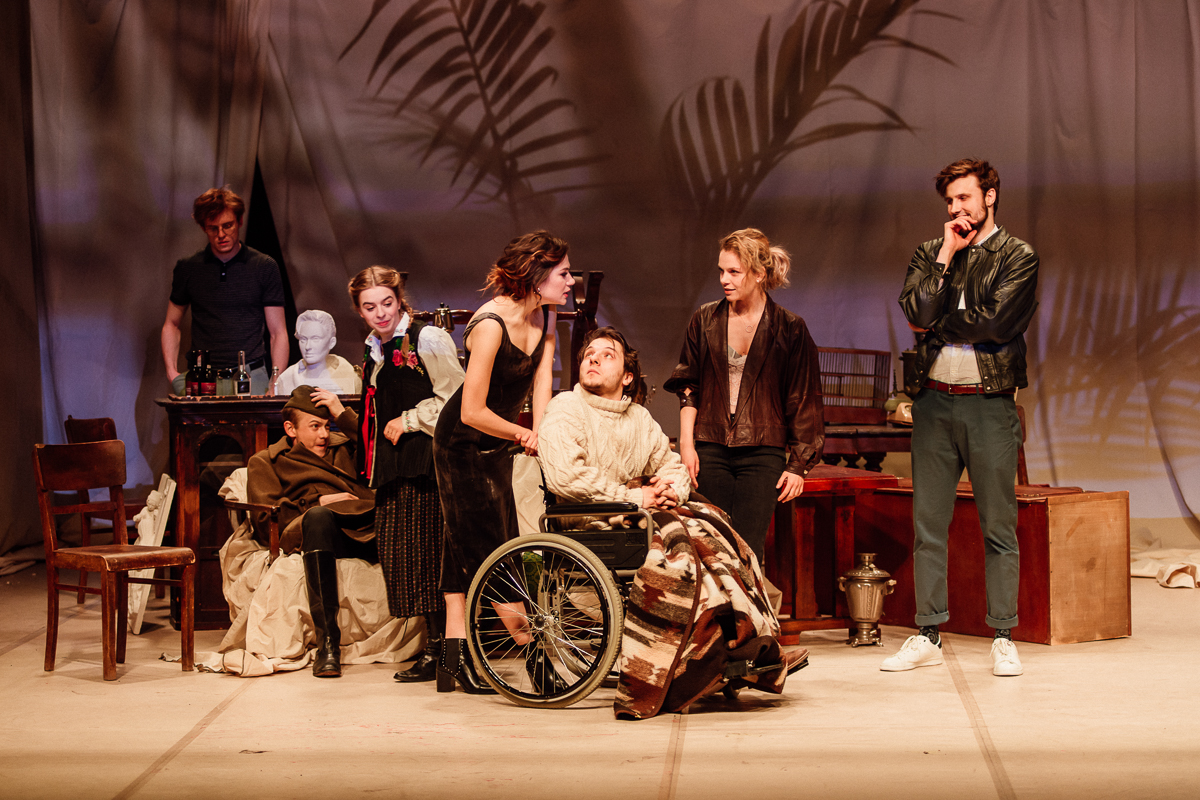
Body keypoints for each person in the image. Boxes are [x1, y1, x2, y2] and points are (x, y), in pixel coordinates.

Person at [885, 158, 1038, 678]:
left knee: (998, 525)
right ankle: (928, 633)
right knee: (928, 524)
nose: (956, 209)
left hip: (988, 402)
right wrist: (947, 255)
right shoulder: (932, 252)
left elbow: (995, 324)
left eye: (965, 198)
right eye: (950, 201)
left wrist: (937, 325)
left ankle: (1004, 636)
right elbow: (915, 312)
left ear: (989, 196)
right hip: (934, 401)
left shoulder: (1017, 255)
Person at [433, 230, 575, 694]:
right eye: (563, 273)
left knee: (464, 548)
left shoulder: (546, 314)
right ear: (536, 274)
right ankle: (536, 656)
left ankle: (451, 663)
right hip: (460, 445)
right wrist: (521, 432)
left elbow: (541, 382)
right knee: (491, 552)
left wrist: (543, 433)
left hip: (496, 445)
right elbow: (471, 410)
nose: (570, 281)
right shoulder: (490, 325)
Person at [314, 266, 464, 685]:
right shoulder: (375, 349)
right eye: (369, 307)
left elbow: (457, 398)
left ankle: (443, 652)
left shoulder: (426, 338)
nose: (380, 313)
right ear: (358, 310)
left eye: (387, 303)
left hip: (426, 464)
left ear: (399, 300)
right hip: (394, 468)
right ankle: (435, 647)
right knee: (408, 561)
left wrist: (410, 419)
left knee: (429, 557)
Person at [664, 228, 824, 563]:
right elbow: (689, 386)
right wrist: (687, 445)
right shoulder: (705, 319)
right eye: (722, 271)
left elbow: (803, 398)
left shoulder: (789, 327)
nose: (724, 279)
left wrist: (798, 465)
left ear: (759, 274)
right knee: (711, 548)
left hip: (763, 451)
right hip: (710, 446)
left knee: (748, 550)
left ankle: (748, 601)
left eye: (734, 272)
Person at [246, 385, 375, 678]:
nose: (324, 435)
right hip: (320, 531)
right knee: (318, 518)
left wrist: (342, 413)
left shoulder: (345, 447)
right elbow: (266, 522)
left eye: (327, 426)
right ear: (290, 429)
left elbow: (379, 447)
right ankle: (328, 645)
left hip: (365, 523)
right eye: (315, 426)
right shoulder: (267, 461)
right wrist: (317, 502)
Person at [538, 327, 689, 510]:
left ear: (627, 377)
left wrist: (671, 491)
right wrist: (633, 498)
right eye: (589, 354)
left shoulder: (639, 417)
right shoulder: (565, 406)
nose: (593, 359)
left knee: (708, 521)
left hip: (640, 512)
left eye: (608, 355)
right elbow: (567, 478)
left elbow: (672, 467)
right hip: (588, 519)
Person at [161, 187, 288, 395]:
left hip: (251, 375)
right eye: (213, 228)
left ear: (240, 221)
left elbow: (278, 332)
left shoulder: (264, 267)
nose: (221, 235)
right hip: (203, 378)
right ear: (203, 228)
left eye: (227, 225)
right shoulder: (188, 268)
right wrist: (171, 372)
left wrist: (276, 381)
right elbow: (171, 324)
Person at [274, 310, 362, 395]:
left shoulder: (349, 376)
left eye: (315, 339)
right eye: (303, 339)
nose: (307, 346)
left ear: (331, 343)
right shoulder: (286, 380)